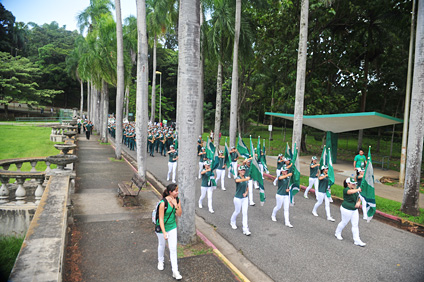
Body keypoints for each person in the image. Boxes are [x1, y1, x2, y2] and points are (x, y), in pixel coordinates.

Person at [155, 183, 183, 279]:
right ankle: (160, 261)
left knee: (173, 248)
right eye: (175, 190)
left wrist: (176, 205)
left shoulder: (177, 200)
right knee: (162, 245)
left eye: (177, 190)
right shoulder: (163, 203)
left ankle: (175, 271)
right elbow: (161, 219)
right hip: (162, 227)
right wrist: (164, 232)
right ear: (170, 192)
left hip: (172, 227)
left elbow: (179, 214)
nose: (177, 192)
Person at [335, 177, 366, 247]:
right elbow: (350, 192)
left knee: (355, 225)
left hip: (354, 210)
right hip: (346, 209)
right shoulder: (346, 190)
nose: (354, 185)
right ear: (348, 184)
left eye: (354, 184)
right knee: (344, 222)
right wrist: (358, 189)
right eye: (352, 184)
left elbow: (359, 197)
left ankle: (357, 240)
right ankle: (337, 233)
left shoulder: (355, 190)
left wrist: (359, 202)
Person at [230, 166, 251, 236]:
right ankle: (232, 221)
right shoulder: (238, 178)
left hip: (244, 198)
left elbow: (247, 187)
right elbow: (237, 181)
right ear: (239, 171)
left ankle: (245, 229)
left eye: (243, 170)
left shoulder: (245, 178)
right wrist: (245, 179)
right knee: (237, 211)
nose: (242, 171)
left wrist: (246, 193)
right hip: (238, 198)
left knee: (245, 213)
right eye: (241, 170)